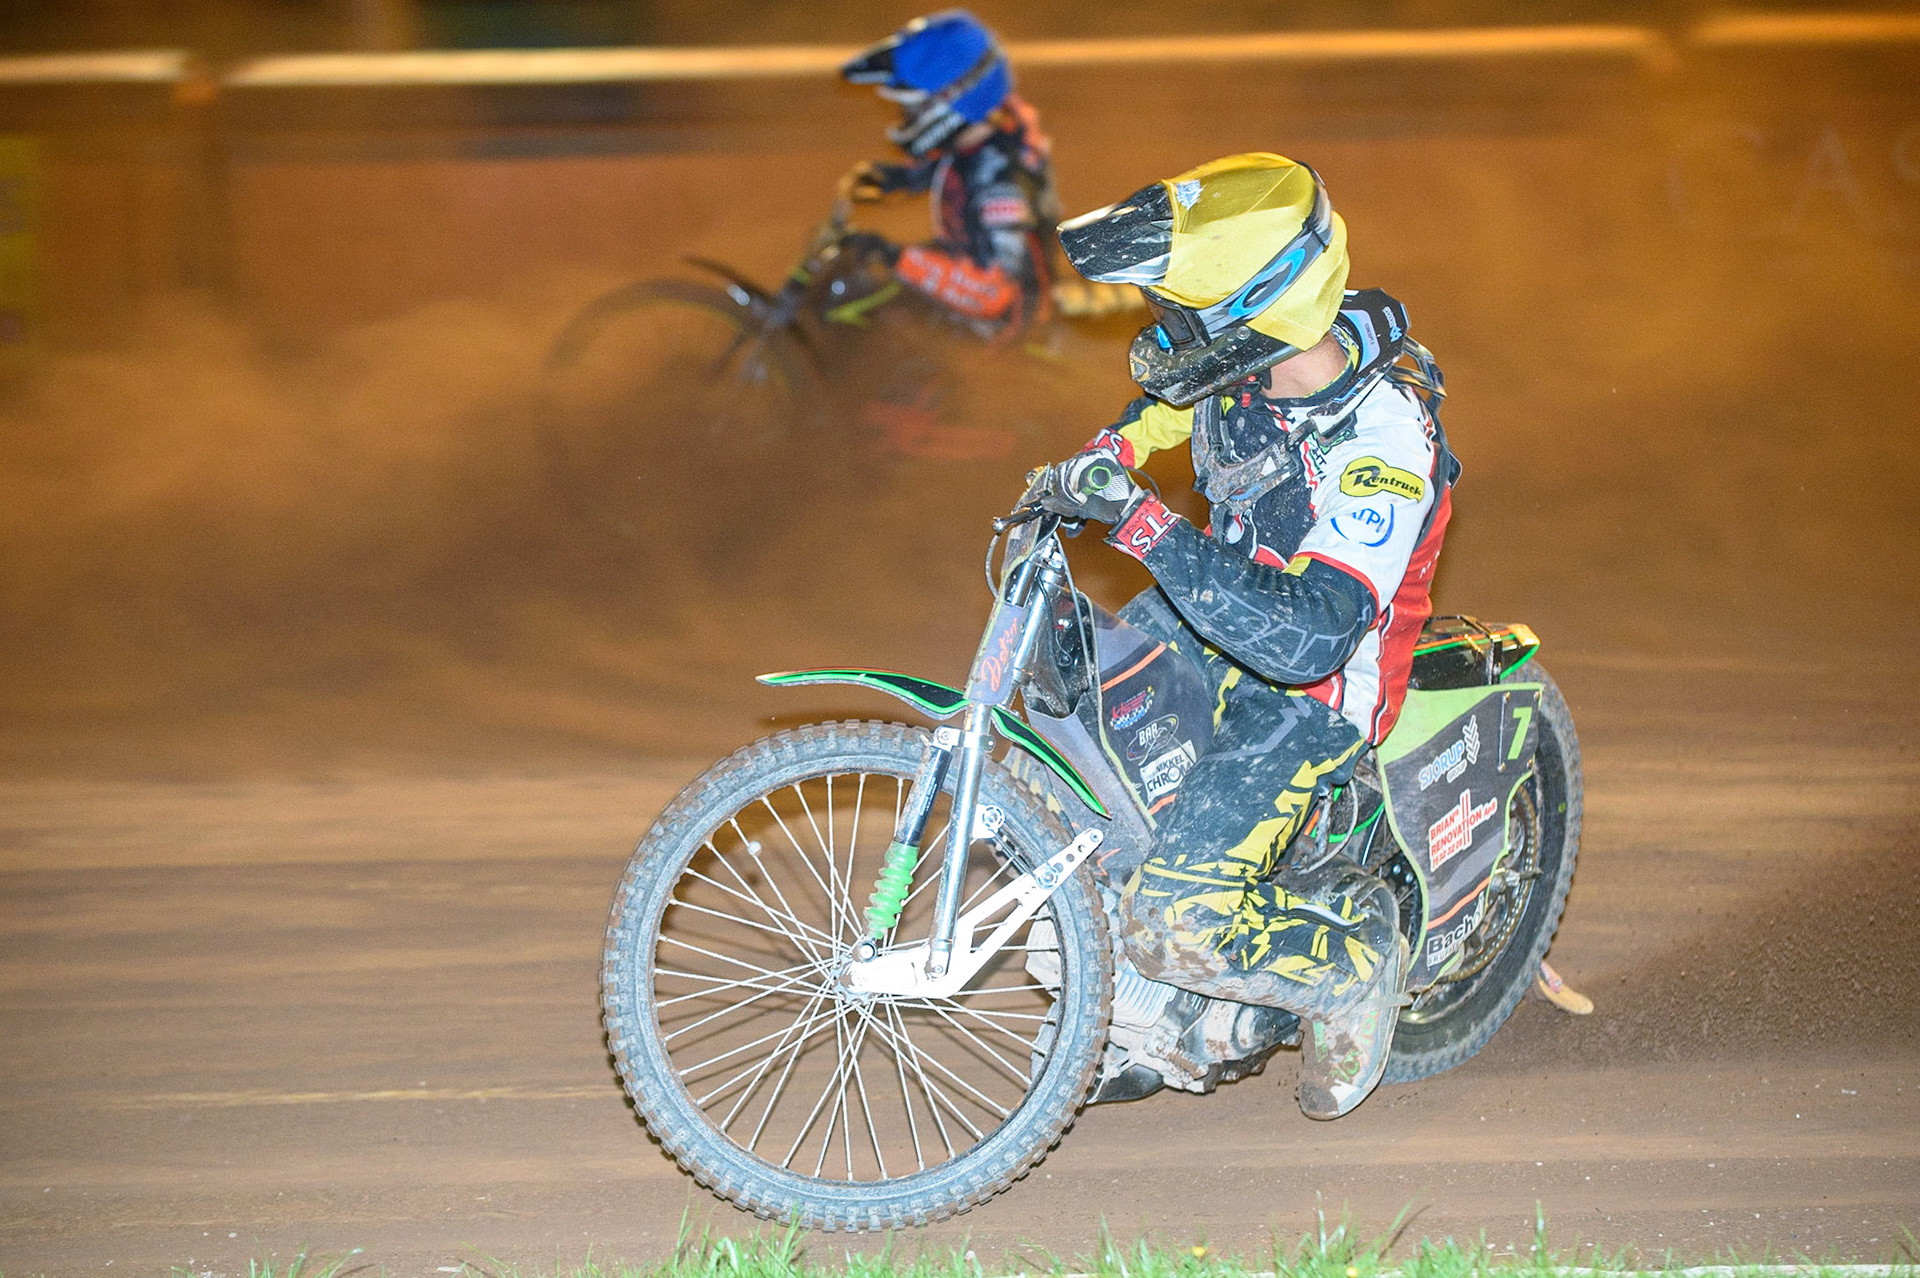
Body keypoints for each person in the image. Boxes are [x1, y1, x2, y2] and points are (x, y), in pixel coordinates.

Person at [1033, 152, 1456, 1120]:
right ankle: (1138, 1007)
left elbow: (1305, 642)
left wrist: (1142, 526)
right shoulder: (1253, 369)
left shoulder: (1380, 443)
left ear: (1257, 311)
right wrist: (1107, 456)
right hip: (1207, 625)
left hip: (1307, 689)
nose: (1168, 335)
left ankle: (1350, 966)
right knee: (1062, 739)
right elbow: (1164, 414)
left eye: (1188, 317)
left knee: (1176, 918)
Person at [841, 11, 1060, 335]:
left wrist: (896, 258)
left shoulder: (1003, 186)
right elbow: (957, 169)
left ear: (955, 98)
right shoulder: (982, 141)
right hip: (967, 294)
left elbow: (994, 294)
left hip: (1001, 338)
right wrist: (901, 179)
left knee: (875, 352)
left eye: (914, 107)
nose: (905, 116)